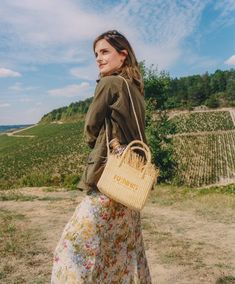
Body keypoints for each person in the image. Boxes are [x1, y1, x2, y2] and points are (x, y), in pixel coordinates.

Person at [51, 30, 152, 283]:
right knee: (121, 249)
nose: (99, 58)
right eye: (96, 54)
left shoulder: (109, 83)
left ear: (123, 54)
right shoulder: (136, 88)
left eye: (105, 51)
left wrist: (95, 143)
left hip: (109, 179)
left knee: (72, 247)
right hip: (130, 183)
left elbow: (90, 128)